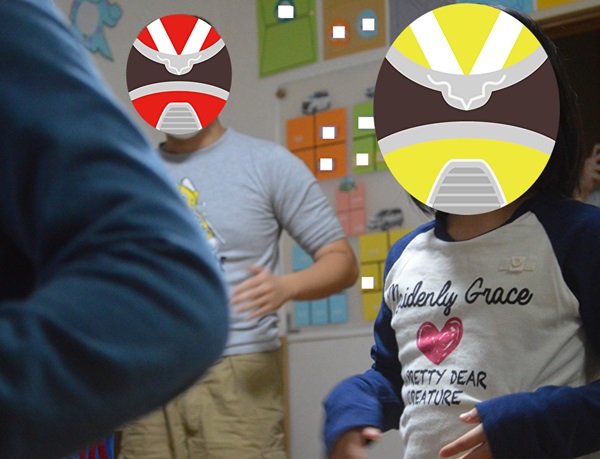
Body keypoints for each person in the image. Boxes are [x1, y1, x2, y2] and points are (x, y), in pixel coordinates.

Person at [323, 9, 600, 459]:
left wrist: (525, 425)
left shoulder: (580, 236)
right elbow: (395, 376)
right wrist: (351, 406)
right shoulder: (406, 256)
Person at [0, 1, 229, 458]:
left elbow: (172, 291)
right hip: (125, 385)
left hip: (212, 365)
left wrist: (284, 287)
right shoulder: (136, 160)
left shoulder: (265, 164)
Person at [118, 117, 359, 458]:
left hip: (238, 370)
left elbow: (343, 263)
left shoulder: (268, 163)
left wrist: (286, 286)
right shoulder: (130, 170)